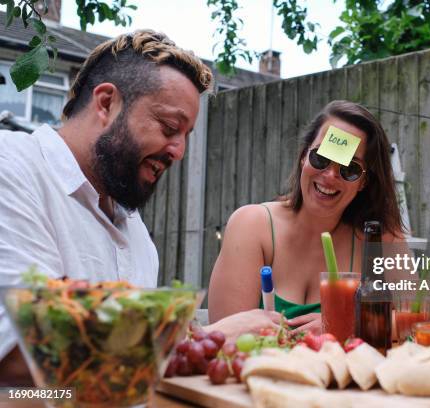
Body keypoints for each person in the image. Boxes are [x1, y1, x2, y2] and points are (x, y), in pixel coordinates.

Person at [0, 30, 278, 386]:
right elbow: (18, 355)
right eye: (169, 127)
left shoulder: (134, 233)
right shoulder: (13, 168)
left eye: (185, 135)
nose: (178, 151)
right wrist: (205, 337)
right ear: (105, 104)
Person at [208, 100, 405, 333]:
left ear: (364, 182)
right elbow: (225, 339)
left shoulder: (380, 240)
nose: (330, 176)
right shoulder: (251, 225)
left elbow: (414, 323)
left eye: (350, 169)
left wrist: (349, 326)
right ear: (303, 157)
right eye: (320, 158)